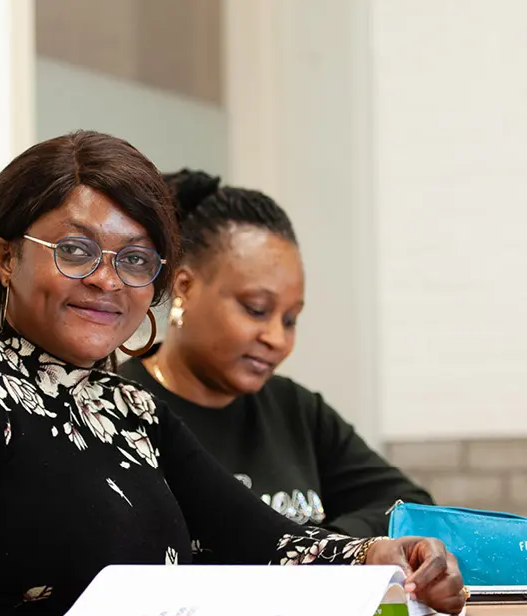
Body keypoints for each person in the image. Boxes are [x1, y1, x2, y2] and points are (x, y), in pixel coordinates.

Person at [0, 130, 464, 616]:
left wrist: (376, 556)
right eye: (76, 250)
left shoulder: (127, 409)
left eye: (135, 259)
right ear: (5, 257)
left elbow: (268, 543)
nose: (108, 280)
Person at [120, 171, 431, 538]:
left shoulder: (295, 410)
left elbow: (410, 507)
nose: (277, 338)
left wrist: (317, 553)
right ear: (184, 288)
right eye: (256, 309)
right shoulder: (120, 409)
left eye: (290, 319)